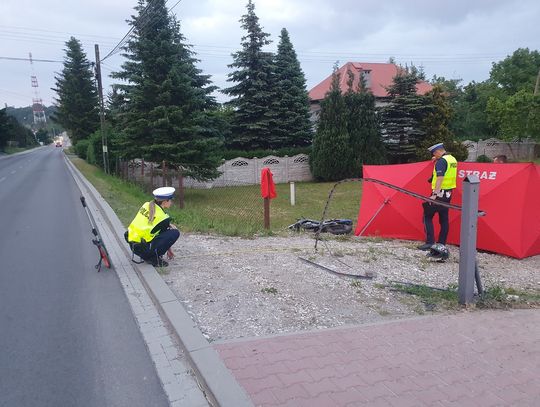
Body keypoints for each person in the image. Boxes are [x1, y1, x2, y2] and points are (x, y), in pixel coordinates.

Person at [417, 143, 458, 251]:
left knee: (427, 216)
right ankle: (441, 243)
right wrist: (437, 159)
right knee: (444, 219)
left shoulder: (441, 162)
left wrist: (434, 194)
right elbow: (447, 169)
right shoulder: (452, 159)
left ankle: (430, 242)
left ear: (439, 151)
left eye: (435, 153)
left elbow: (440, 177)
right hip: (448, 193)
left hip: (439, 194)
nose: (434, 155)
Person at [126, 187, 180, 267]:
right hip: (143, 249)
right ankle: (153, 258)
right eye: (170, 200)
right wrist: (169, 250)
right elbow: (165, 235)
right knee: (175, 232)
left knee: (163, 231)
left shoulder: (146, 205)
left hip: (133, 244)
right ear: (165, 201)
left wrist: (167, 224)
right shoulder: (163, 218)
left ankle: (150, 254)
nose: (171, 202)